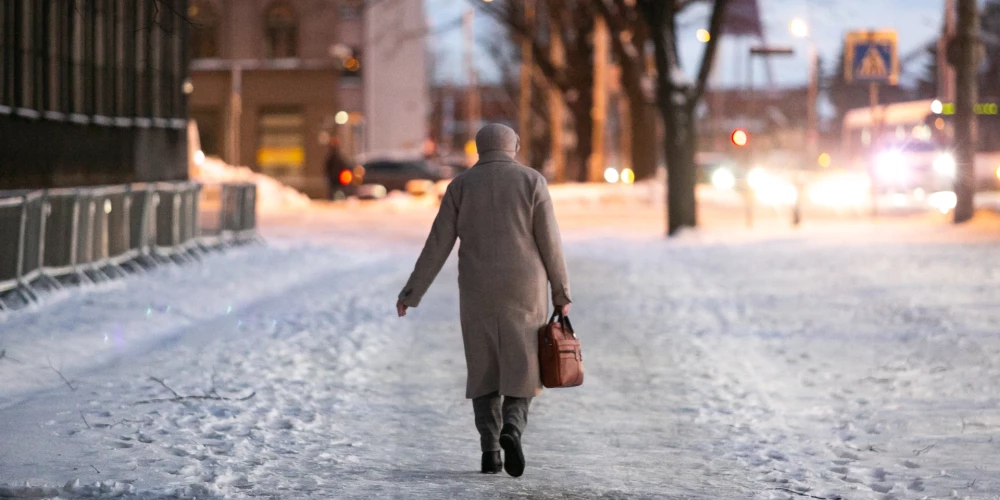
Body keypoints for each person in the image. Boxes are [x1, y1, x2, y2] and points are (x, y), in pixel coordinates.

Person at [396, 123, 571, 477]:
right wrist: (561, 292)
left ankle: (490, 450)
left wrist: (411, 293)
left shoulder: (460, 186)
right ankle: (512, 428)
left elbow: (437, 244)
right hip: (524, 289)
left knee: (484, 370)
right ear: (513, 146)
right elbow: (550, 241)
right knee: (523, 368)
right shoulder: (532, 181)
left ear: (480, 148)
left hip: (477, 291)